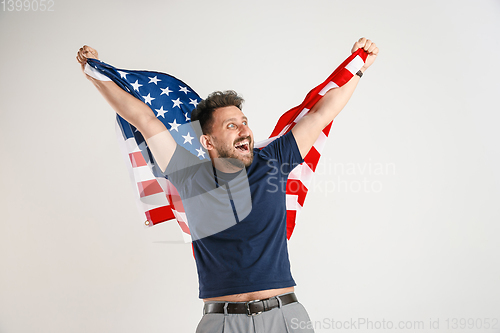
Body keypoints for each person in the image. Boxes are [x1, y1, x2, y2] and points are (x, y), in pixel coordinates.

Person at [76, 37, 379, 333]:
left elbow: (322, 112)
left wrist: (360, 66)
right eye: (231, 125)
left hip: (284, 318)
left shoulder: (272, 160)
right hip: (220, 322)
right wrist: (94, 72)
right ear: (207, 141)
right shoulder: (188, 174)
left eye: (244, 121)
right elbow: (144, 118)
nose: (244, 129)